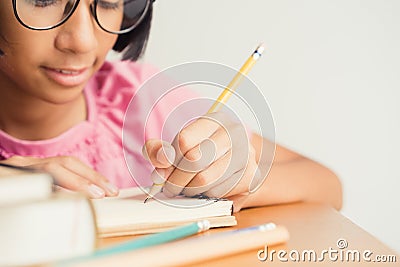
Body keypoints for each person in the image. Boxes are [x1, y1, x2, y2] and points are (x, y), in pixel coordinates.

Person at [0, 0, 342, 212]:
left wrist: (242, 181)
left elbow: (328, 185)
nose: (83, 41)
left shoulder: (140, 98)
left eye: (105, 2)